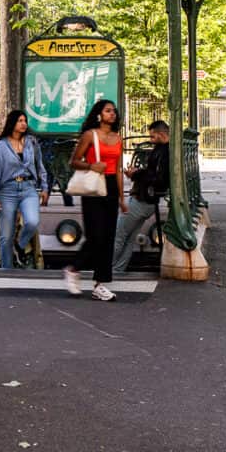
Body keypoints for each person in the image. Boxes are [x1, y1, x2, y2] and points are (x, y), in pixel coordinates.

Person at [63, 100, 127, 301]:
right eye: (108, 111)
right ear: (99, 115)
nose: (112, 114)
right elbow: (73, 161)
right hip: (93, 186)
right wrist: (91, 166)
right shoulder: (90, 135)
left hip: (110, 187)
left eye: (113, 111)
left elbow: (117, 169)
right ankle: (74, 269)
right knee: (95, 235)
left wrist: (122, 198)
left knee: (108, 237)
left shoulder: (118, 138)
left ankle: (100, 284)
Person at [0, 110, 49, 269]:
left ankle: (20, 245)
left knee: (32, 222)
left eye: (25, 121)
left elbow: (40, 166)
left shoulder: (32, 143)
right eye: (20, 120)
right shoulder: (1, 146)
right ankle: (6, 271)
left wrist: (45, 187)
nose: (24, 124)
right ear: (12, 122)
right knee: (6, 236)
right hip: (7, 190)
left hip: (29, 188)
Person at [112, 120, 170, 273]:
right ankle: (117, 269)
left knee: (118, 234)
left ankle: (105, 269)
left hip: (143, 200)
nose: (150, 140)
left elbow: (159, 179)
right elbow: (153, 174)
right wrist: (138, 172)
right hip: (146, 200)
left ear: (162, 134)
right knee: (129, 237)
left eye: (153, 137)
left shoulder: (165, 153)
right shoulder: (163, 150)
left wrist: (136, 173)